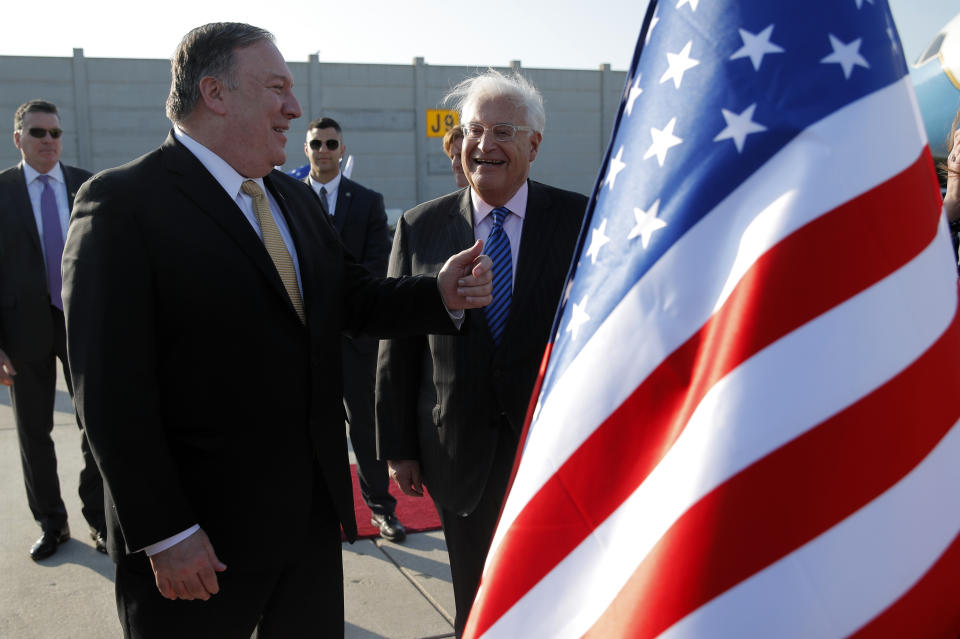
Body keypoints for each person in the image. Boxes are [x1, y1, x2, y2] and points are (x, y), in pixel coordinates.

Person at [61, 23, 492, 639]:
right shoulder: (123, 204)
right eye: (277, 88)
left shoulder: (291, 200)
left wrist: (438, 294)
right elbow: (106, 392)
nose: (294, 107)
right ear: (215, 92)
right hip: (200, 541)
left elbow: (351, 299)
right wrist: (165, 532)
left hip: (309, 527)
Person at [375, 69, 587, 637]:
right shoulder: (419, 226)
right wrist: (397, 447)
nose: (484, 146)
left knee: (554, 586)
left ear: (534, 144)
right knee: (476, 592)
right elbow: (397, 347)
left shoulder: (580, 221)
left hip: (550, 450)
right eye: (473, 130)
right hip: (456, 450)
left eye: (503, 131)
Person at [0, 99, 106, 561]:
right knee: (33, 430)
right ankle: (52, 523)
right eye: (38, 133)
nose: (49, 141)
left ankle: (101, 520)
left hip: (81, 322)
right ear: (18, 137)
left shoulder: (87, 185)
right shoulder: (1, 191)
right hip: (21, 329)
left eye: (55, 133)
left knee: (97, 425)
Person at [302, 116, 406, 542]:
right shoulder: (282, 198)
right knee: (308, 429)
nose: (324, 150)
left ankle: (381, 509)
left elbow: (376, 265)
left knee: (364, 427)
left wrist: (341, 313)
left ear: (341, 149)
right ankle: (316, 512)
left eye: (331, 143)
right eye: (316, 144)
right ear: (305, 149)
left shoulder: (367, 201)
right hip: (303, 340)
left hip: (352, 340)